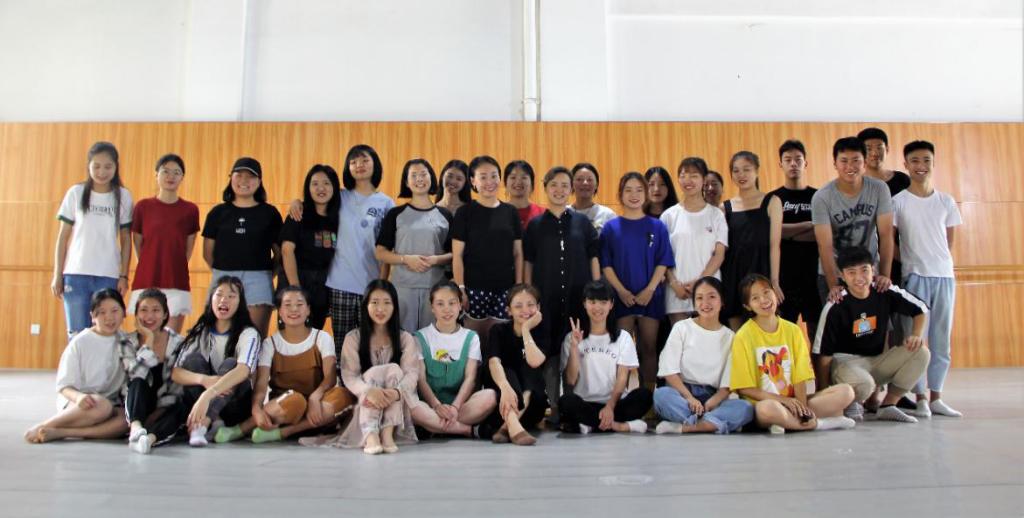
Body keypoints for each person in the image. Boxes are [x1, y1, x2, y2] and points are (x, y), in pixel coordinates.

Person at [288, 145, 395, 357]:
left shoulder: (386, 203)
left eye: (365, 160)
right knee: (343, 346)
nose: (359, 165)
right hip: (339, 285)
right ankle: (343, 380)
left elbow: (387, 248)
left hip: (371, 285)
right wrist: (296, 202)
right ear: (348, 168)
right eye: (353, 162)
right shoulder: (339, 197)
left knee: (372, 345)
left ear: (375, 164)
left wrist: (381, 284)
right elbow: (314, 200)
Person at [216, 287, 355, 443]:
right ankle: (239, 430)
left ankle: (283, 433)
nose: (294, 309)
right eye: (288, 305)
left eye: (299, 304)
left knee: (343, 395)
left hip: (317, 409)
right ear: (280, 312)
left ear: (308, 310)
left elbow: (330, 377)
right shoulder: (270, 343)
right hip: (285, 407)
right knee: (296, 401)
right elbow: (261, 384)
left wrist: (315, 397)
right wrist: (256, 409)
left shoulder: (322, 338)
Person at [813, 248, 930, 423]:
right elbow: (823, 355)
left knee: (921, 352)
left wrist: (916, 335)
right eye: (851, 273)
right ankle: (850, 402)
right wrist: (824, 394)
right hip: (845, 363)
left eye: (864, 270)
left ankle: (888, 406)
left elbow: (920, 309)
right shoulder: (836, 305)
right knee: (864, 384)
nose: (859, 278)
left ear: (873, 270)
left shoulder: (883, 290)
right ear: (842, 276)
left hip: (876, 361)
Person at [729, 274, 857, 433]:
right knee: (768, 410)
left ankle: (788, 422)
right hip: (764, 405)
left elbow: (800, 376)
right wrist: (783, 401)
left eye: (767, 292)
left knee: (846, 392)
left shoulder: (793, 330)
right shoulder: (743, 336)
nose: (763, 300)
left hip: (794, 402)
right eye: (755, 298)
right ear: (748, 306)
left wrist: (802, 408)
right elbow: (745, 389)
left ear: (775, 293)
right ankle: (818, 424)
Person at [303, 280, 419, 454]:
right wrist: (368, 390)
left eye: (386, 303)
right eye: (375, 302)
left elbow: (412, 374)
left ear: (395, 306)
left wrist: (396, 392)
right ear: (365, 306)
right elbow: (349, 376)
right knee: (373, 374)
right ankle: (371, 435)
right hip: (364, 401)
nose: (380, 309)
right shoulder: (353, 338)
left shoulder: (405, 338)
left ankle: (387, 433)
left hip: (396, 400)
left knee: (394, 369)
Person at [25, 289, 153, 444]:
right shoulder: (80, 342)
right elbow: (64, 386)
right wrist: (79, 397)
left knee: (128, 419)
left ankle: (61, 432)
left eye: (114, 311)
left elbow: (139, 372)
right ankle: (44, 426)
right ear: (92, 316)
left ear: (124, 313)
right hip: (78, 402)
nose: (109, 318)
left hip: (108, 403)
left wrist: (149, 337)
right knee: (101, 406)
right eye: (102, 312)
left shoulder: (126, 342)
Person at [524, 166, 601, 423]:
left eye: (564, 186)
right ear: (545, 188)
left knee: (574, 349)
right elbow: (528, 263)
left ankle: (572, 405)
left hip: (578, 298)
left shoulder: (582, 222)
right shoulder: (535, 225)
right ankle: (554, 407)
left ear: (571, 189)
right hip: (545, 299)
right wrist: (528, 299)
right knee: (549, 352)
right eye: (554, 185)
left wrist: (596, 292)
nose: (559, 190)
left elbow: (593, 258)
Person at [893, 140, 963, 418]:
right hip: (914, 278)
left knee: (941, 339)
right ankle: (920, 397)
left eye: (926, 160)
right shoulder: (898, 201)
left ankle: (937, 397)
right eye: (915, 161)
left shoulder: (946, 201)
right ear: (906, 164)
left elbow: (949, 241)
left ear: (933, 163)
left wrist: (937, 262)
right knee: (915, 340)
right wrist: (910, 260)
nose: (921, 166)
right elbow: (889, 241)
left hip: (944, 277)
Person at [51, 141, 133, 340]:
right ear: (88, 166)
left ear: (116, 167)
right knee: (77, 334)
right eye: (96, 166)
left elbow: (126, 239)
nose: (102, 172)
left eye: (107, 166)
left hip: (108, 274)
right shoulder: (76, 192)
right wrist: (57, 274)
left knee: (105, 333)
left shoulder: (123, 196)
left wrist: (123, 275)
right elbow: (63, 237)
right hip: (76, 274)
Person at [600, 172, 674, 387]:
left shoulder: (657, 226)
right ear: (620, 194)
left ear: (646, 193)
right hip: (620, 297)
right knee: (620, 350)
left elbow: (663, 261)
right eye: (628, 190)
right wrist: (621, 291)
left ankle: (648, 395)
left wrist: (649, 290)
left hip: (651, 297)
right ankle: (619, 395)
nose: (634, 195)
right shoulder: (611, 227)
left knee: (649, 348)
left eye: (639, 190)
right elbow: (606, 264)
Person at [654, 277, 753, 434]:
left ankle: (686, 426)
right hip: (682, 394)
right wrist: (689, 398)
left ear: (722, 301)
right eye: (699, 298)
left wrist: (714, 401)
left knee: (745, 408)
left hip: (713, 398)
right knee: (661, 396)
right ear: (694, 303)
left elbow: (728, 382)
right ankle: (713, 422)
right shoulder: (682, 328)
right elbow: (669, 371)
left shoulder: (731, 337)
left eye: (712, 297)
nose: (705, 303)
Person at [171, 276, 261, 447]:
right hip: (201, 401)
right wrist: (204, 380)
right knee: (193, 360)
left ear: (240, 302)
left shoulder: (249, 333)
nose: (224, 300)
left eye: (231, 296)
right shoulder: (201, 329)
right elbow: (176, 372)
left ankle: (201, 425)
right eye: (219, 294)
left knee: (231, 364)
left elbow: (243, 371)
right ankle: (215, 420)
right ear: (211, 298)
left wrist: (208, 394)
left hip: (234, 406)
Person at [202, 157, 282, 337]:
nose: (244, 181)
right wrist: (224, 272)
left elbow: (279, 254)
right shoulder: (217, 213)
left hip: (259, 279)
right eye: (239, 175)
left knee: (254, 337)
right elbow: (207, 253)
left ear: (259, 182)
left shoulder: (270, 213)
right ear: (230, 178)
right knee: (218, 336)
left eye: (251, 176)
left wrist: (267, 275)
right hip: (223, 278)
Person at [559, 280, 652, 434]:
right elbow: (570, 380)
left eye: (603, 302)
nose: (597, 307)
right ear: (584, 304)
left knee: (645, 396)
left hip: (615, 403)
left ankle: (589, 425)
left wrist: (610, 406)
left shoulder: (623, 337)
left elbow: (622, 377)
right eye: (592, 302)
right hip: (585, 402)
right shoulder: (572, 337)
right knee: (566, 402)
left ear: (611, 304)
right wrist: (574, 348)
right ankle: (619, 426)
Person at [812, 137, 895, 305]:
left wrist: (884, 275)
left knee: (875, 320)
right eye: (844, 161)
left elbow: (886, 234)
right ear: (835, 164)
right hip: (835, 273)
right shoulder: (822, 197)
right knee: (838, 321)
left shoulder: (879, 189)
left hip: (868, 272)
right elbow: (824, 245)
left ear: (865, 162)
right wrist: (833, 285)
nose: (850, 166)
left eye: (856, 160)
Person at [409, 281, 498, 437]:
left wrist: (455, 407)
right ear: (432, 307)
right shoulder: (419, 337)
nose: (447, 309)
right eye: (440, 304)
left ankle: (434, 427)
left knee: (490, 396)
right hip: (430, 407)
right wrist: (437, 406)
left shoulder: (471, 337)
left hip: (461, 408)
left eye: (452, 303)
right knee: (410, 406)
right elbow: (421, 379)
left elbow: (470, 378)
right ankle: (467, 430)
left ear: (460, 305)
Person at [376, 158, 453, 332]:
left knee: (432, 340)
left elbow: (454, 254)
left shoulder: (445, 215)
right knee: (403, 339)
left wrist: (435, 260)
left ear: (431, 177)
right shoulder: (395, 214)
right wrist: (405, 259)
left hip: (435, 290)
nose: (419, 179)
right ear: (406, 182)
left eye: (423, 174)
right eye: (414, 175)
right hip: (402, 289)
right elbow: (380, 252)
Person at [129, 154, 199, 334]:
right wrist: (149, 262)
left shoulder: (190, 210)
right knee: (146, 338)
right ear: (156, 175)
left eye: (176, 172)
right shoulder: (143, 207)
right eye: (165, 171)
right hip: (147, 277)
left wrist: (172, 265)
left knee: (171, 339)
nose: (171, 176)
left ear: (182, 177)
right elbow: (137, 243)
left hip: (176, 279)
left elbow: (188, 247)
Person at [452, 155, 523, 319]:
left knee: (503, 331)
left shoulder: (511, 212)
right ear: (473, 181)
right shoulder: (464, 213)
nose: (489, 182)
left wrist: (518, 287)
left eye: (493, 176)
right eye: (483, 177)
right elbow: (457, 255)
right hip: (473, 289)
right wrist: (461, 288)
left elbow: (518, 253)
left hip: (506, 289)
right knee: (475, 332)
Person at [482, 285, 551, 445]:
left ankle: (506, 427)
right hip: (502, 398)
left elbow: (535, 361)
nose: (525, 310)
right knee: (507, 370)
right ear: (509, 310)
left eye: (530, 305)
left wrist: (526, 329)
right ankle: (513, 426)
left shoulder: (541, 331)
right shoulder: (498, 330)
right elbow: (493, 362)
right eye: (518, 306)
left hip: (532, 406)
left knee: (530, 369)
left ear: (538, 308)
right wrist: (505, 387)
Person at [721, 151, 783, 330]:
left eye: (746, 169)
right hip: (733, 275)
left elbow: (775, 246)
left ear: (756, 171)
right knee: (737, 334)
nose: (741, 175)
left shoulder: (772, 202)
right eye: (736, 171)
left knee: (765, 330)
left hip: (762, 271)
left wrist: (774, 281)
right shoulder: (724, 208)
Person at [662, 157, 728, 324]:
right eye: (683, 175)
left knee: (708, 335)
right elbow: (662, 256)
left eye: (694, 175)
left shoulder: (716, 215)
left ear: (704, 179)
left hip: (709, 288)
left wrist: (700, 282)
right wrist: (674, 283)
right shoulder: (669, 215)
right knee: (680, 337)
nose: (688, 180)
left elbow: (719, 255)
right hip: (677, 290)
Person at [768, 140, 822, 343]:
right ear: (780, 164)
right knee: (783, 337)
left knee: (818, 339)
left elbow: (823, 233)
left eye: (798, 159)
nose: (793, 164)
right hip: (783, 279)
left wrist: (784, 231)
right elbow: (769, 233)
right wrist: (807, 225)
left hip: (814, 276)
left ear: (805, 163)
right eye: (788, 160)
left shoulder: (818, 197)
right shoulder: (773, 198)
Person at [124, 289, 188, 454]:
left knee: (181, 407)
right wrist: (149, 340)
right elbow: (133, 376)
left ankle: (148, 440)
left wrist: (160, 411)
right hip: (136, 404)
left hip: (165, 405)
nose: (149, 316)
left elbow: (177, 388)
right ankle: (136, 428)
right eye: (144, 310)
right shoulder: (128, 342)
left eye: (156, 310)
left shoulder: (179, 343)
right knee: (138, 381)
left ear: (165, 314)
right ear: (136, 314)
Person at [279, 164, 341, 330]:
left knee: (315, 334)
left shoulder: (338, 216)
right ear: (308, 187)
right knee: (291, 333)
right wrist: (296, 290)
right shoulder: (298, 213)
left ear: (335, 187)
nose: (321, 188)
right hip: (296, 279)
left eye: (326, 183)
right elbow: (286, 250)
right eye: (315, 184)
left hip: (322, 284)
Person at [570, 162, 617, 234]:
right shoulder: (563, 213)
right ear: (571, 184)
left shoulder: (607, 214)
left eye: (590, 179)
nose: (585, 183)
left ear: (596, 185)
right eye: (579, 179)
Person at [505, 160, 546, 230]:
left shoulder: (543, 214)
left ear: (532, 183)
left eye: (524, 177)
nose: (518, 182)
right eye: (513, 177)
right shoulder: (497, 214)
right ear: (505, 183)